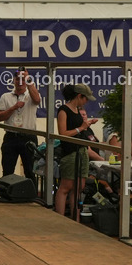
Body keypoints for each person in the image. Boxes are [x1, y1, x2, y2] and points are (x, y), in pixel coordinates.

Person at [54, 84, 96, 217]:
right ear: (79, 96)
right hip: (70, 152)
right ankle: (60, 217)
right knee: (66, 186)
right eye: (86, 98)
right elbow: (62, 133)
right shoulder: (63, 110)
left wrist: (86, 125)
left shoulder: (78, 110)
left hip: (81, 150)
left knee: (79, 187)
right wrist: (81, 128)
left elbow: (79, 128)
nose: (86, 102)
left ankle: (75, 218)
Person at [0, 68, 41, 178]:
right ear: (14, 80)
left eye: (23, 79)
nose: (20, 82)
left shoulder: (31, 94)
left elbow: (37, 100)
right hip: (11, 136)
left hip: (28, 137)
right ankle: (6, 193)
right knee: (7, 170)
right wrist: (13, 108)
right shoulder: (5, 96)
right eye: (18, 79)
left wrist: (28, 79)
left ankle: (31, 194)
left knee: (30, 171)